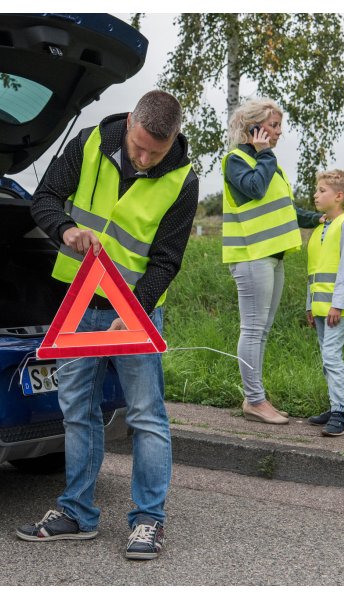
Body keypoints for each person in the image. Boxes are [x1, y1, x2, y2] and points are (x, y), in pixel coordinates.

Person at [16, 90, 199, 559]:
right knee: (76, 409)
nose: (143, 159)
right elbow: (45, 200)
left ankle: (148, 521)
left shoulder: (182, 180)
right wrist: (65, 230)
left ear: (173, 139)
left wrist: (133, 309)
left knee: (146, 416)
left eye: (155, 153)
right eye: (139, 147)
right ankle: (77, 511)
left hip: (130, 312)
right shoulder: (88, 143)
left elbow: (166, 260)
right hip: (78, 303)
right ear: (130, 125)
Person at [222, 98, 323, 425]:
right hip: (252, 256)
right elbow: (253, 189)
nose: (279, 132)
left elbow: (285, 210)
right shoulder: (236, 161)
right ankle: (254, 401)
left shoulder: (270, 163)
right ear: (254, 128)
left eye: (279, 126)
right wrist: (264, 153)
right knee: (252, 330)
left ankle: (257, 397)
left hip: (273, 257)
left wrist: (317, 218)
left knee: (262, 331)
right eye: (274, 125)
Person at [306, 170, 344, 436]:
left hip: (334, 308)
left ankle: (341, 412)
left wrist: (338, 304)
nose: (315, 195)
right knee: (325, 357)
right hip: (320, 306)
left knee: (332, 356)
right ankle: (334, 405)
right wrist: (310, 304)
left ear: (338, 196)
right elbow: (315, 270)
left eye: (321, 190)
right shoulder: (323, 227)